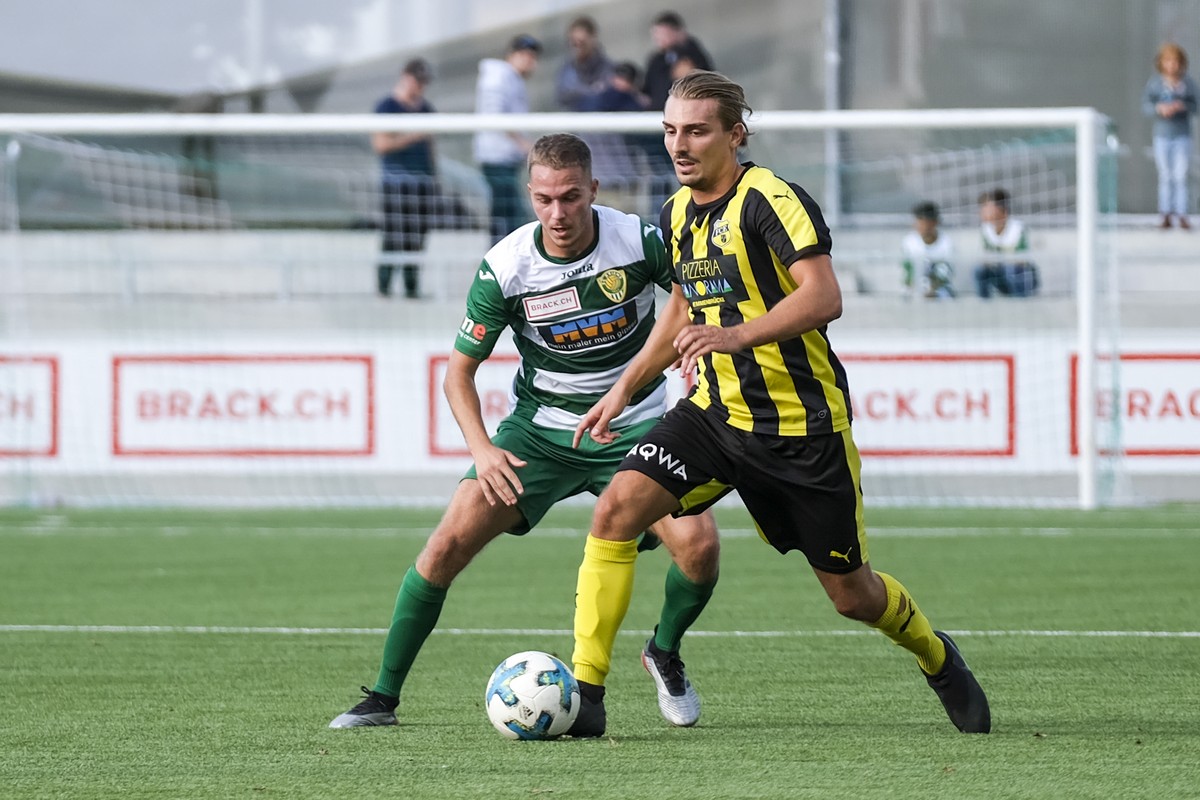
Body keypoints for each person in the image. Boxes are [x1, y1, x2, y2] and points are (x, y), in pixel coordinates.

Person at [570, 70, 991, 735]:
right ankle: (586, 696)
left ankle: (937, 656)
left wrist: (733, 335)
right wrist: (623, 390)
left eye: (696, 131)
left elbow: (824, 296)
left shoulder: (771, 198)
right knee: (616, 509)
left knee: (853, 596)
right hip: (713, 415)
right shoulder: (674, 213)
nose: (679, 145)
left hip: (801, 426)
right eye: (670, 131)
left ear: (735, 135)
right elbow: (681, 307)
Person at [328, 133, 720, 737]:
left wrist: (694, 356)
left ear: (593, 189)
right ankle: (382, 697)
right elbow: (458, 375)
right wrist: (484, 452)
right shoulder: (506, 267)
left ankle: (663, 651)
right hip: (539, 436)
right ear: (529, 194)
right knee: (445, 546)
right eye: (544, 199)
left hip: (638, 425)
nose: (557, 213)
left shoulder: (639, 240)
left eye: (570, 197)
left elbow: (697, 298)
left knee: (699, 547)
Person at [372, 58, 438, 298]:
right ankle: (384, 287)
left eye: (423, 82)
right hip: (396, 182)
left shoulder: (426, 108)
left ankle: (411, 287)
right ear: (405, 77)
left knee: (417, 238)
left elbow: (431, 148)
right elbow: (381, 144)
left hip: (422, 183)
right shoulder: (387, 106)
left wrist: (434, 177)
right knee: (393, 236)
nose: (419, 86)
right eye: (417, 80)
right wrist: (413, 136)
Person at [474, 34, 542, 239]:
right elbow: (496, 115)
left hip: (505, 157)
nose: (531, 63)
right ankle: (501, 255)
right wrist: (523, 144)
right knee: (509, 215)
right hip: (497, 157)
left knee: (505, 213)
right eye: (527, 56)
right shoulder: (499, 77)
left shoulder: (510, 79)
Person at [1142, 42, 1197, 229]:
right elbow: (1146, 105)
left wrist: (1183, 106)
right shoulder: (1155, 83)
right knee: (1165, 175)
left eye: (1175, 61)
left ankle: (1182, 213)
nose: (1172, 65)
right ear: (1162, 63)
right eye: (1168, 61)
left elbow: (1196, 105)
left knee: (1181, 175)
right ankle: (1165, 213)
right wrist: (1159, 108)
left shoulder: (1187, 84)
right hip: (1162, 135)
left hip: (1182, 135)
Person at [973, 188, 1039, 298]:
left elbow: (1023, 260)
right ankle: (984, 303)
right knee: (979, 270)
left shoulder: (1018, 229)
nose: (983, 211)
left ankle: (1021, 302)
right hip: (1001, 275)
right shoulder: (986, 229)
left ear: (1002, 209)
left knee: (1011, 269)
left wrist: (999, 259)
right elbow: (984, 258)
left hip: (1022, 279)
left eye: (987, 207)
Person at [642, 11, 713, 112]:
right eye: (656, 34)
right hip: (657, 113)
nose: (658, 38)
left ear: (678, 32)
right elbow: (648, 90)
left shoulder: (693, 54)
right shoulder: (656, 60)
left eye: (663, 34)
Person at [555, 16, 614, 112]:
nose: (577, 48)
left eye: (581, 43)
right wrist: (593, 90)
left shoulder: (608, 68)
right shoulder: (567, 69)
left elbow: (607, 96)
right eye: (574, 44)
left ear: (593, 39)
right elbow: (563, 95)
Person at [901, 201, 955, 299]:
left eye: (924, 222)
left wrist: (932, 289)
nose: (920, 225)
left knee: (945, 296)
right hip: (915, 287)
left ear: (934, 222)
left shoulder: (946, 243)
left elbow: (945, 272)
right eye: (919, 221)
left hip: (939, 288)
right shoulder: (909, 241)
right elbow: (908, 270)